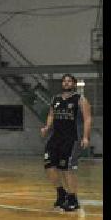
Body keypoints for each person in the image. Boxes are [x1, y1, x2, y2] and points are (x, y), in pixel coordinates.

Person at [40, 74, 93, 212]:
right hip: (55, 138)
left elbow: (87, 119)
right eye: (64, 81)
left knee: (67, 169)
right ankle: (61, 193)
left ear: (74, 84)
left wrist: (86, 137)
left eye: (69, 81)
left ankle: (73, 199)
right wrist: (47, 127)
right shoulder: (55, 99)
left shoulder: (80, 99)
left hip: (71, 139)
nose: (66, 83)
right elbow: (51, 114)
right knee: (49, 165)